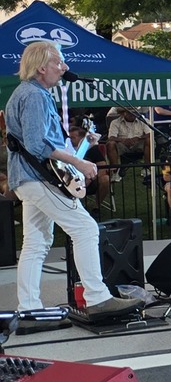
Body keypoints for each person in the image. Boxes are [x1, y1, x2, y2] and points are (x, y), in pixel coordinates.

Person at [5, 42, 142, 323]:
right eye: (58, 62)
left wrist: (82, 149)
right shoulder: (34, 96)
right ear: (41, 67)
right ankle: (97, 298)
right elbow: (37, 144)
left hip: (29, 178)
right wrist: (80, 163)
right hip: (38, 179)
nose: (64, 67)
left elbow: (46, 146)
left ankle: (29, 309)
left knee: (35, 244)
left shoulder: (29, 93)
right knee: (85, 229)